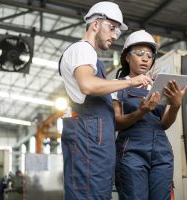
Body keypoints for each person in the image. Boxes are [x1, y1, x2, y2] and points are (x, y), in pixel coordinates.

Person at [59, 2, 153, 200]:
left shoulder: (92, 59)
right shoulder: (82, 49)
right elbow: (87, 85)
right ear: (95, 25)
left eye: (117, 32)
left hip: (96, 142)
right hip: (87, 138)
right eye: (111, 28)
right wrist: (129, 82)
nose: (113, 36)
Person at [113, 30, 187, 200]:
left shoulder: (159, 85)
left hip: (161, 151)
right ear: (127, 57)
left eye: (149, 55)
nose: (145, 58)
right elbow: (116, 123)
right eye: (139, 54)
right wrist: (142, 111)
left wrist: (176, 105)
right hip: (131, 150)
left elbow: (164, 124)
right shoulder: (116, 85)